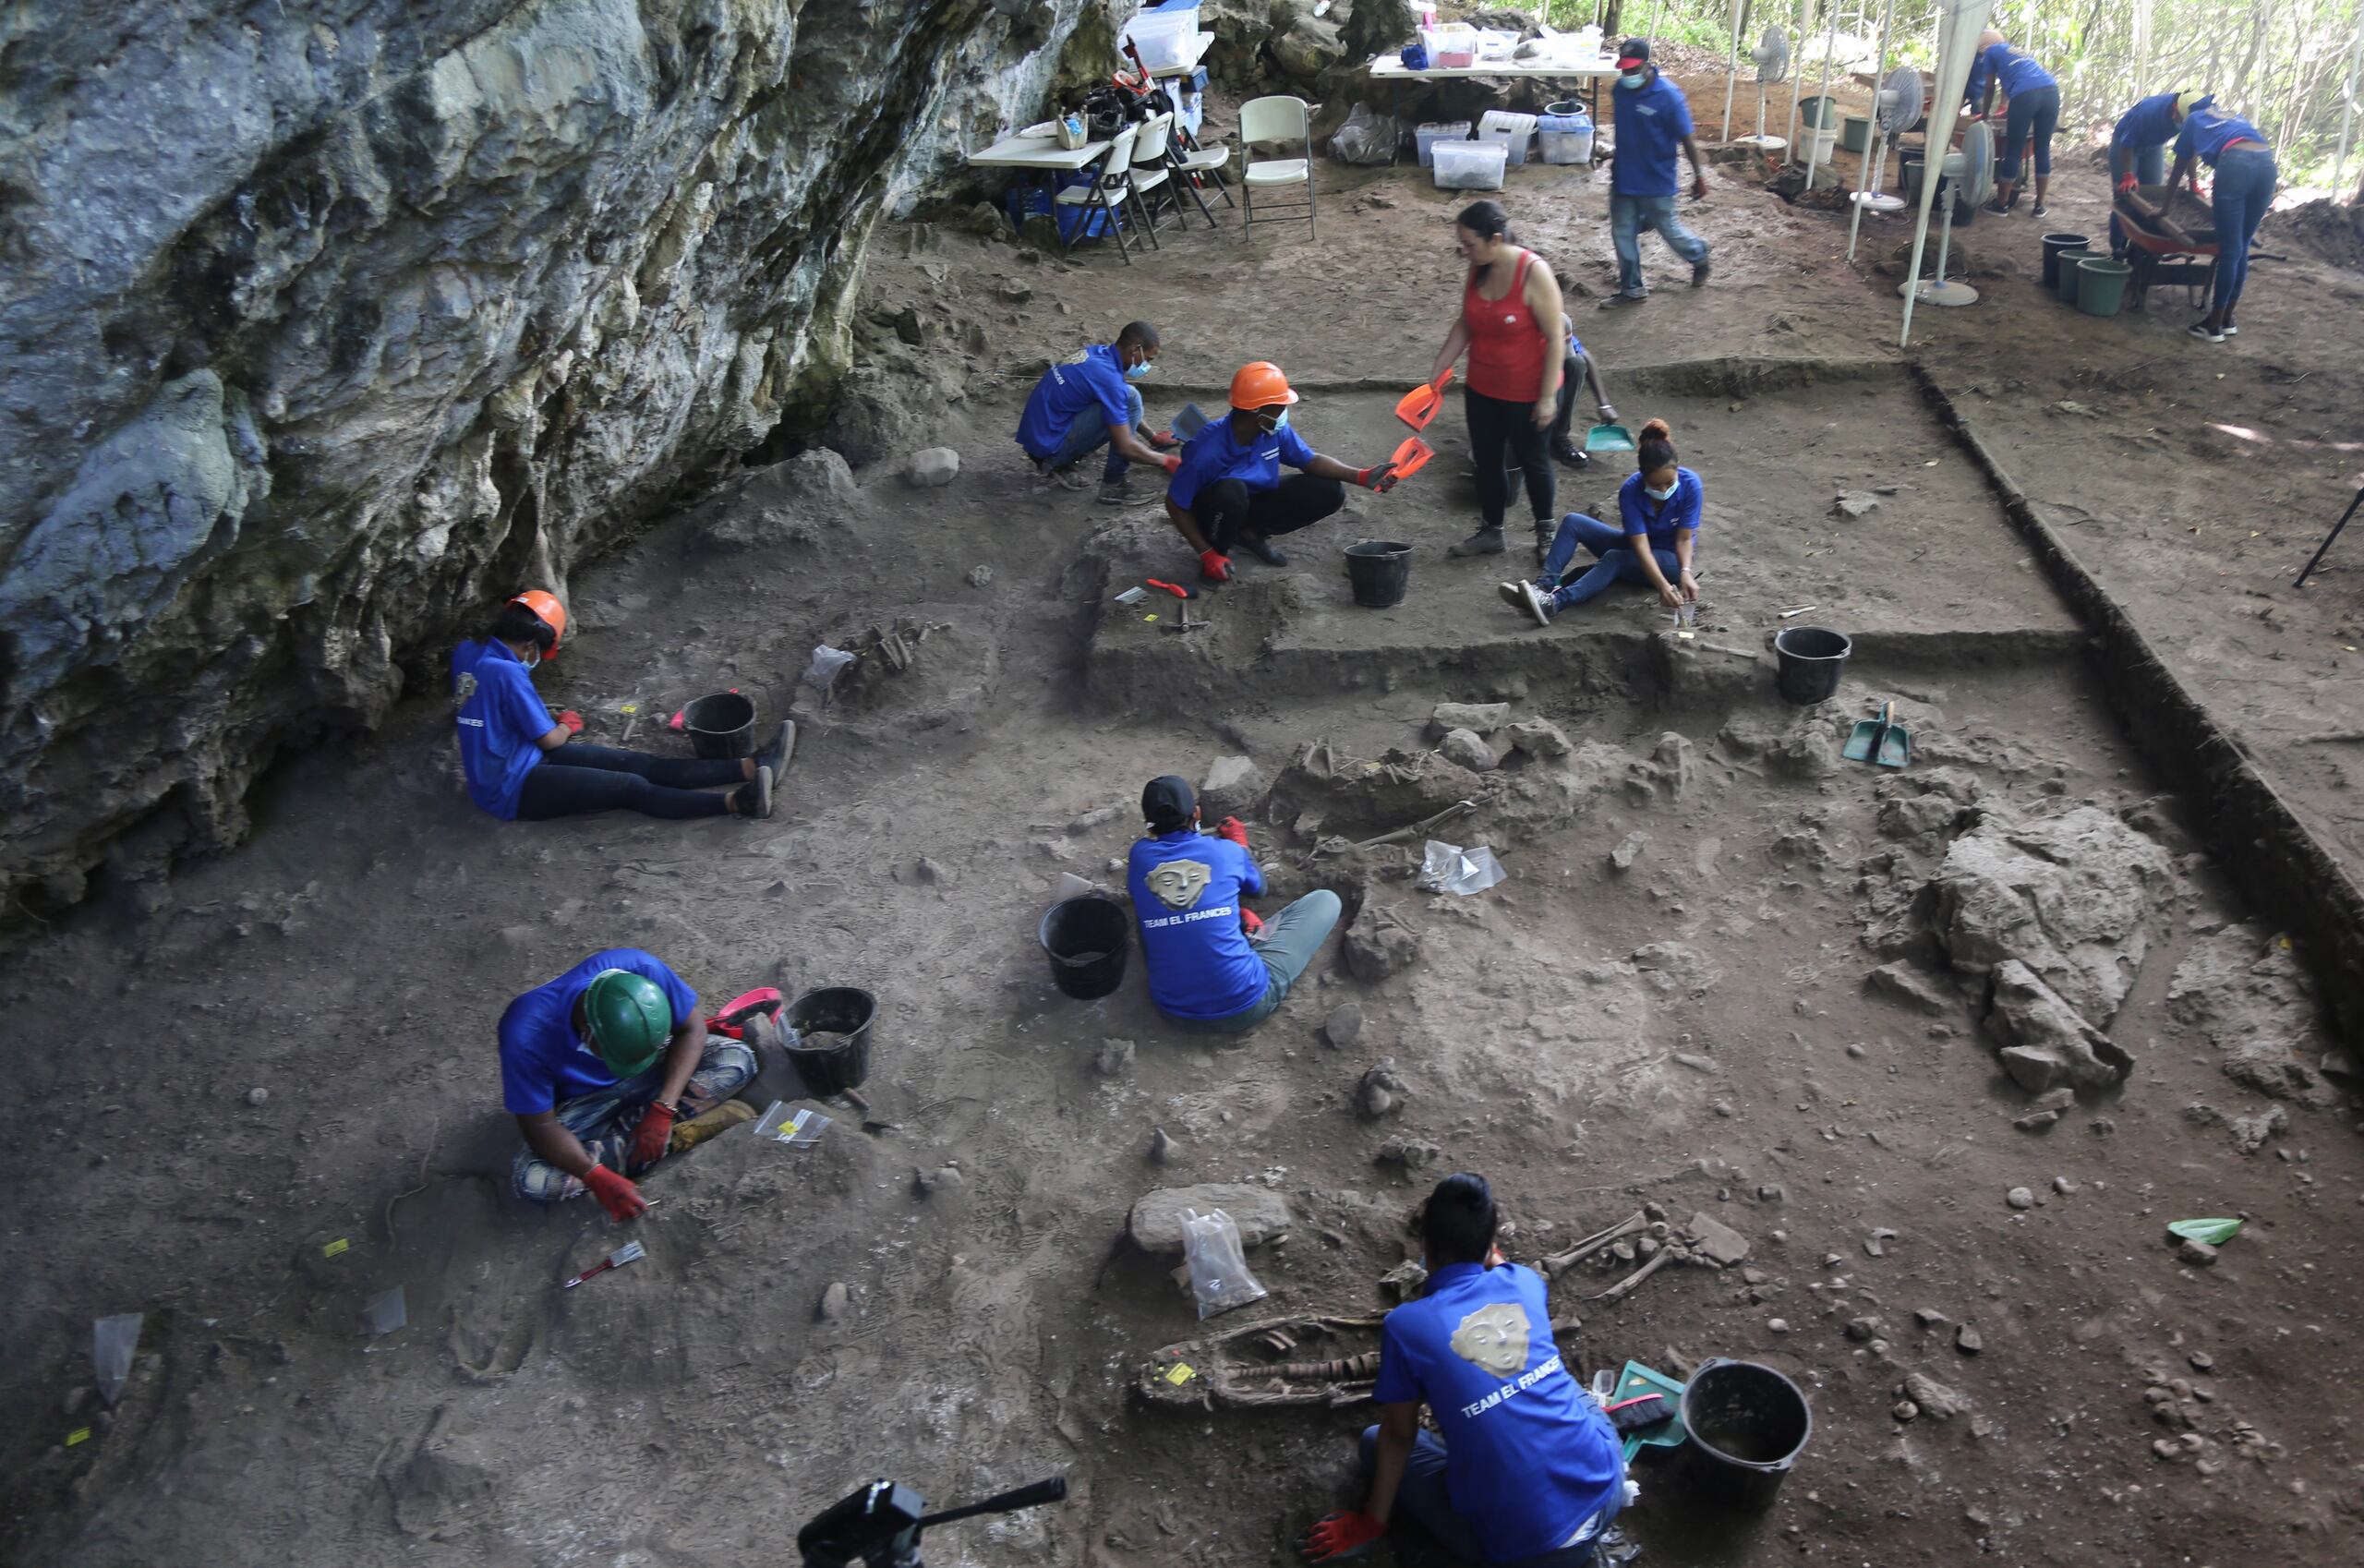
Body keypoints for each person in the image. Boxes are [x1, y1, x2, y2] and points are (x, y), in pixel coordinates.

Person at [1299, 1173, 1626, 1566]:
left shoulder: (1406, 1326)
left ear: (1425, 1245)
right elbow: (1503, 1268)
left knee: (1374, 1441)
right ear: (1491, 1246)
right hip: (1607, 1487)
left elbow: (1399, 1437)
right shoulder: (1524, 1282)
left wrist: (1371, 1523)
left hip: (1533, 1552)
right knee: (1556, 1379)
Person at [452, 592, 790, 822]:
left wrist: (532, 718)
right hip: (513, 787)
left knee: (638, 763)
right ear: (529, 644)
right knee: (630, 788)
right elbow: (551, 741)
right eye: (536, 652)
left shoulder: (467, 651)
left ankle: (751, 765)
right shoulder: (509, 672)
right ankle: (739, 803)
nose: (534, 658)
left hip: (509, 761)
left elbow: (487, 705)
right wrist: (568, 724)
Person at [501, 949, 759, 1217]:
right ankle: (667, 1138)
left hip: (656, 1071)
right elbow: (540, 1124)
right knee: (532, 1181)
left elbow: (694, 1029)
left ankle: (652, 1136)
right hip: (584, 1104)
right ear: (588, 1032)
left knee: (737, 1060)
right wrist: (594, 1177)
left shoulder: (642, 969)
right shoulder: (525, 1031)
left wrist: (663, 1109)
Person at [1128, 775, 1341, 1032]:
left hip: (1172, 1011)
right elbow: (1259, 888)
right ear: (1196, 813)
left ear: (1149, 825)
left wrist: (1233, 912)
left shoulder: (1139, 858)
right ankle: (1249, 945)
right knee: (1326, 900)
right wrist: (1240, 846)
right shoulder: (1225, 851)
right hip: (1245, 1006)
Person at [1417, 202, 1567, 561]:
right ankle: (1492, 530)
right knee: (1487, 461)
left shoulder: (1534, 273)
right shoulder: (1479, 268)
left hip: (1528, 390)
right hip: (1483, 388)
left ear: (1495, 238)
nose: (1464, 252)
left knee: (1534, 461)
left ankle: (1546, 532)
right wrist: (1439, 367)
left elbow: (1556, 337)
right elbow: (1467, 322)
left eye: (1469, 244)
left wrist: (1547, 398)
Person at [1164, 363, 1399, 583]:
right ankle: (1218, 555)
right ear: (1257, 412)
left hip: (1246, 503)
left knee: (1328, 490)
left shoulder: (1272, 430)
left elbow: (1310, 461)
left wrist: (1361, 476)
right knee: (1231, 491)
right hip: (1213, 515)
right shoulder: (1206, 449)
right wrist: (1207, 554)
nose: (1285, 411)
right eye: (1281, 405)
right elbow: (1175, 504)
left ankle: (1249, 534)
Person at [1500, 418, 1698, 626]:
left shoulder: (1691, 485)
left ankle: (1554, 603)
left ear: (1677, 472)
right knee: (1573, 522)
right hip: (1637, 548)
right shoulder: (1630, 491)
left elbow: (1684, 539)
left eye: (1670, 483)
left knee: (1615, 558)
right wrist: (1661, 586)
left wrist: (1679, 575)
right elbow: (1640, 545)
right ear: (1642, 477)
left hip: (1671, 560)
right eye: (1656, 485)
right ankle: (1542, 589)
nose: (1664, 490)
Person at [1015, 320, 1182, 503]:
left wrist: (1153, 437)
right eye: (1148, 359)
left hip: (1038, 436)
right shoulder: (1109, 380)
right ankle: (1113, 485)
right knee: (1124, 407)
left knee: (1129, 395)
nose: (1147, 366)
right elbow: (1125, 446)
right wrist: (1166, 460)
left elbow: (1118, 401)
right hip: (1048, 448)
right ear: (1135, 350)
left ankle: (1058, 461)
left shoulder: (1097, 353)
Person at [1601, 38, 1711, 307]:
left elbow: (1687, 139)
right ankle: (1632, 289)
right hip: (1624, 177)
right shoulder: (1620, 90)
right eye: (1624, 69)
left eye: (1633, 69)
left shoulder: (1669, 97)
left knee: (1669, 231)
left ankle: (1698, 255)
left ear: (1648, 65)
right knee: (1622, 233)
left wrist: (1699, 176)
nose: (1627, 75)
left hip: (1656, 180)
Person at [2167, 102, 2278, 344]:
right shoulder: (2230, 115)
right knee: (2242, 247)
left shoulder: (2193, 120)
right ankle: (2227, 319)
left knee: (2229, 251)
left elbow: (2179, 167)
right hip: (2267, 164)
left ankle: (2213, 325)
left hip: (2236, 164)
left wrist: (2164, 208)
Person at [1964, 30, 2059, 217]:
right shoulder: (2016, 50)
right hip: (2051, 92)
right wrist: (2006, 107)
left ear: (1983, 46)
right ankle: (2039, 206)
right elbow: (2014, 79)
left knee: (2013, 150)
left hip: (2025, 96)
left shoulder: (1990, 53)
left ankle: (2001, 205)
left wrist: (1984, 114)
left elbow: (1990, 86)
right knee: (2042, 149)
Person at [2108, 90, 2210, 258]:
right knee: (2125, 196)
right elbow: (2127, 141)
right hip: (2126, 146)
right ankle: (2117, 248)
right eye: (2178, 118)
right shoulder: (2148, 111)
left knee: (2151, 197)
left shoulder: (2192, 115)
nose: (2179, 122)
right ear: (2175, 108)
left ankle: (2139, 250)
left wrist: (2193, 182)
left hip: (2154, 146)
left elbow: (2189, 150)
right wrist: (2127, 175)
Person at [1548, 314, 1617, 472]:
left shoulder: (1555, 325)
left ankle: (1558, 438)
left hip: (1548, 373)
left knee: (1576, 364)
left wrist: (1604, 404)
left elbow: (1584, 356)